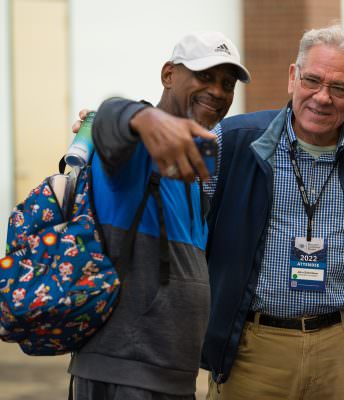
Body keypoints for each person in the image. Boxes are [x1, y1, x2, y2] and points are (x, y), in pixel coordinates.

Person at [92, 25, 344, 399]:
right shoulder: (233, 140)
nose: (322, 97)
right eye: (312, 80)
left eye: (339, 88)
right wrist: (126, 119)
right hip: (253, 348)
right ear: (293, 77)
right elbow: (168, 190)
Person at [68, 32, 250, 399]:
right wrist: (145, 116)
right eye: (204, 76)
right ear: (168, 75)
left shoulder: (192, 166)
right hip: (123, 374)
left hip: (171, 376)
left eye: (227, 84)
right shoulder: (134, 147)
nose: (217, 91)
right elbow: (110, 117)